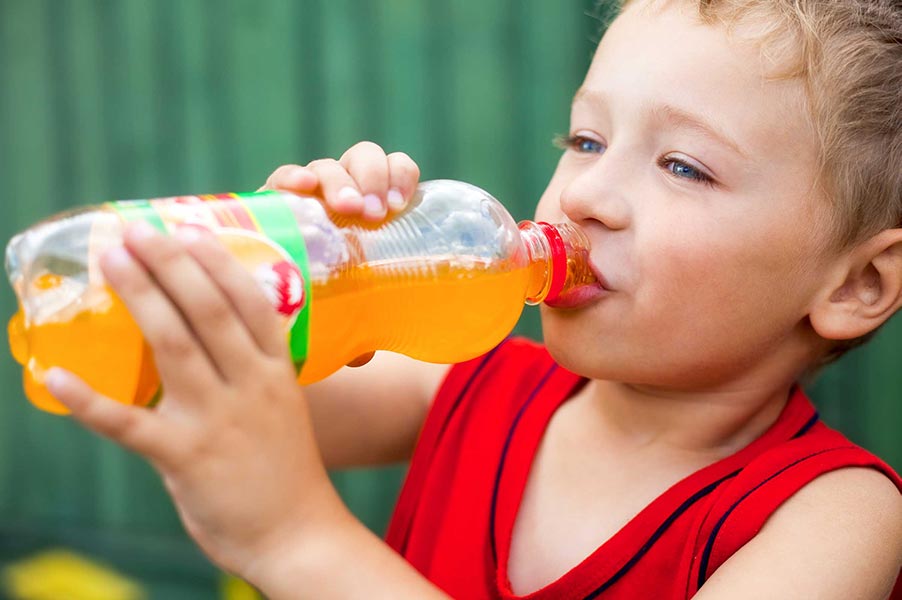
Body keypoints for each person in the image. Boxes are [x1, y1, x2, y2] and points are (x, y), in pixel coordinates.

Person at [44, 0, 902, 597]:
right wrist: (308, 270)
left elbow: (280, 516)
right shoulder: (464, 378)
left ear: (857, 283)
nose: (586, 194)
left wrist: (298, 544)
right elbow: (226, 403)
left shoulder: (838, 519)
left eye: (684, 165)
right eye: (587, 138)